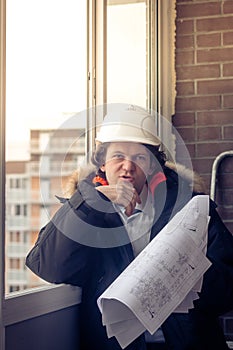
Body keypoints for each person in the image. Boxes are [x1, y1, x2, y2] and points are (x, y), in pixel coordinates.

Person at [26, 105, 233, 350]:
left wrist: (188, 279)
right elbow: (49, 266)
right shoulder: (86, 211)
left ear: (152, 166)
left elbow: (229, 285)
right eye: (118, 156)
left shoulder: (190, 209)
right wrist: (93, 201)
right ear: (102, 163)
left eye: (140, 157)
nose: (128, 166)